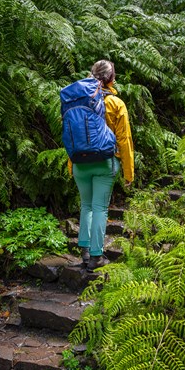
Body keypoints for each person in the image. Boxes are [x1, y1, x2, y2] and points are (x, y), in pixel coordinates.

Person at [69, 60, 134, 272]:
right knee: (99, 208)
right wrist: (128, 173)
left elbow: (74, 135)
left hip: (80, 163)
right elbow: (124, 140)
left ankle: (85, 251)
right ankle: (97, 257)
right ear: (112, 78)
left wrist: (72, 164)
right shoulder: (116, 103)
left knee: (86, 206)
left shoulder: (78, 100)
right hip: (105, 163)